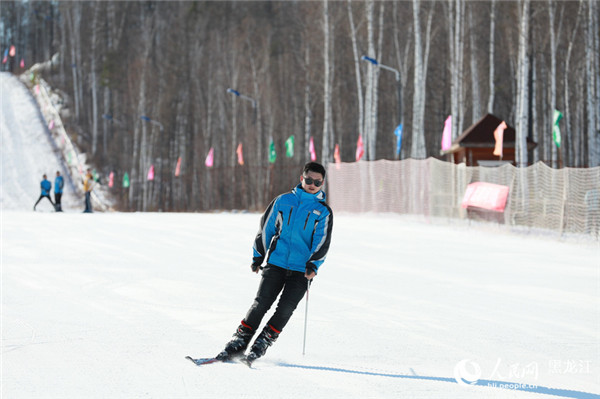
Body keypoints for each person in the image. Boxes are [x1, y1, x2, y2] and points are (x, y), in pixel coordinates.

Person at [216, 162, 334, 366]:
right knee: (261, 303)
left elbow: (322, 241)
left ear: (322, 183)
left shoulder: (322, 211)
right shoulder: (283, 201)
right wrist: (258, 256)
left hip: (301, 271)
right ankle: (240, 340)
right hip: (276, 263)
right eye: (309, 180)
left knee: (285, 310)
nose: (312, 184)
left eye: (317, 182)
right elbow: (266, 228)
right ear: (301, 178)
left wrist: (313, 265)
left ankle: (262, 342)